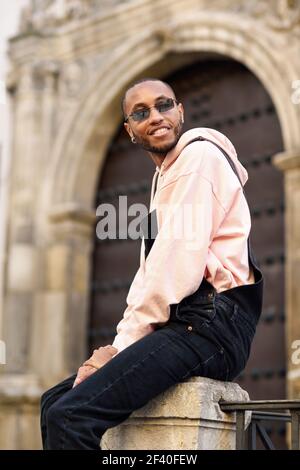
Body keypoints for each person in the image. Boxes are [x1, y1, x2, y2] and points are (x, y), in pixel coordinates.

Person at [40, 78, 263, 450]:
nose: (155, 117)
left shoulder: (197, 160)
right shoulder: (164, 178)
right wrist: (117, 346)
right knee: (53, 403)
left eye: (164, 105)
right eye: (141, 113)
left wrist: (119, 348)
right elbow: (151, 271)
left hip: (211, 326)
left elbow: (172, 269)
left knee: (71, 416)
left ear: (181, 111)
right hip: (186, 325)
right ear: (129, 130)